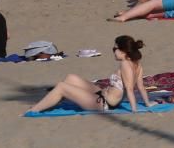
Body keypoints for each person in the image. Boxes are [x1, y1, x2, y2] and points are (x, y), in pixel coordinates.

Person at [26, 36, 155, 114]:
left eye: (115, 49)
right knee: (71, 78)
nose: (113, 52)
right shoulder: (137, 65)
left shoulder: (125, 65)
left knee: (61, 86)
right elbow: (141, 87)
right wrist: (148, 104)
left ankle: (34, 110)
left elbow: (130, 90)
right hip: (102, 94)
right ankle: (53, 100)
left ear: (123, 51)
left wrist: (134, 110)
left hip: (102, 104)